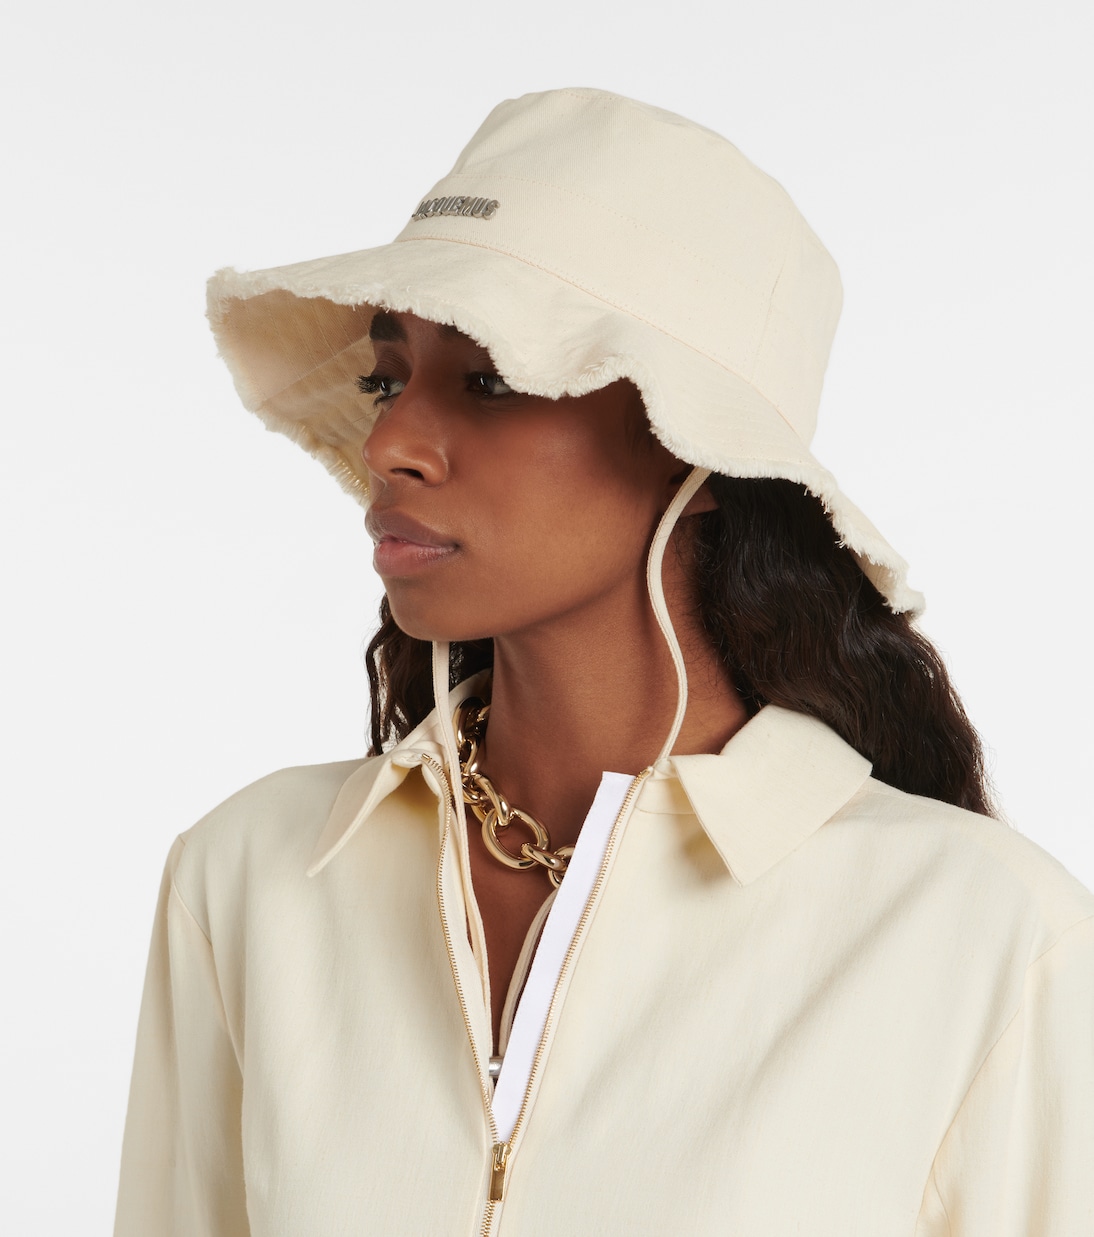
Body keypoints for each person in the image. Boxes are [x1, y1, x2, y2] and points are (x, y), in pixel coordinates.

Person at [115, 88, 1094, 1235]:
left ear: (696, 449)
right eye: (387, 377)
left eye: (490, 378)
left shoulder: (985, 935)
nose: (388, 440)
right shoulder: (252, 875)